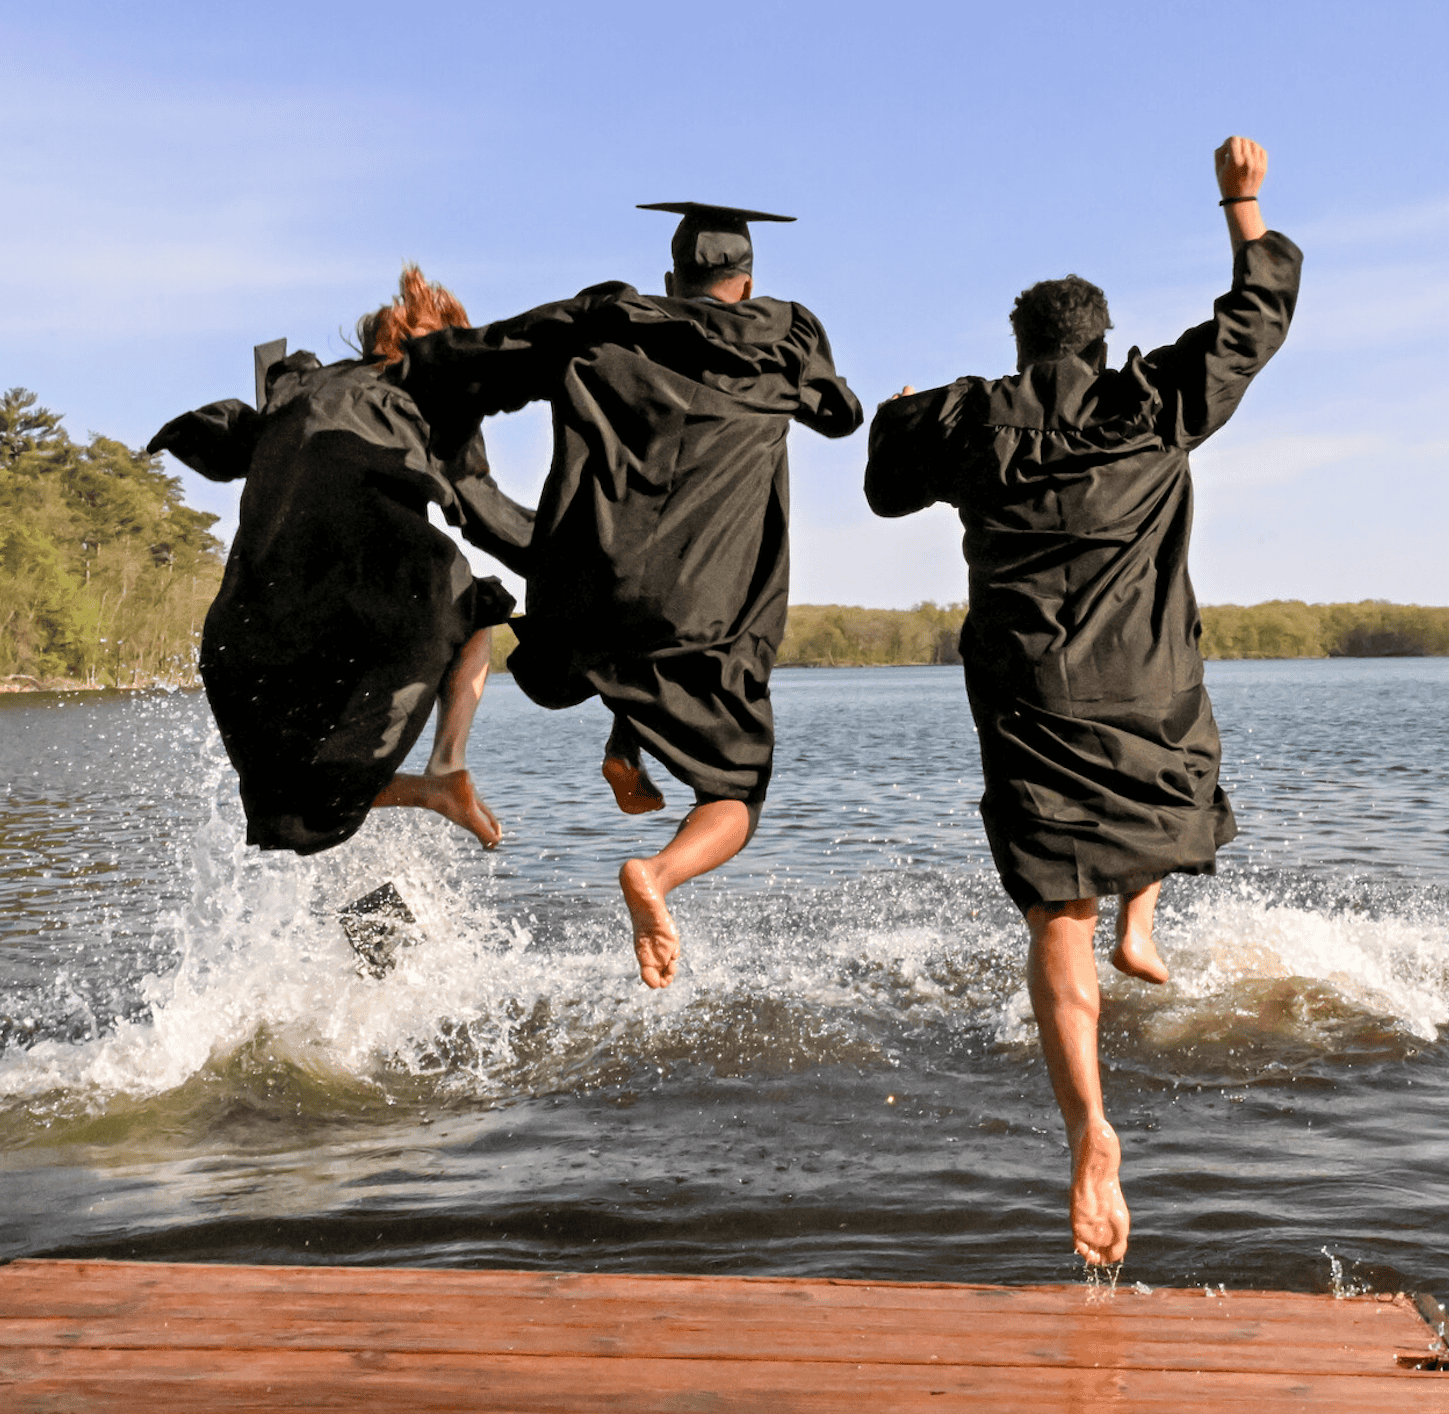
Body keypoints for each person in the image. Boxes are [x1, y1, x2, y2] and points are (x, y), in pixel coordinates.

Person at [863, 137, 1300, 1264]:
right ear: (1102, 345)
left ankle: (1089, 1130)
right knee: (1179, 786)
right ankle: (1144, 913)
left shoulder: (970, 417)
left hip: (1030, 705)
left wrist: (906, 413)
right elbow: (1256, 321)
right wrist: (1240, 202)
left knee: (1055, 921)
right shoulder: (1152, 402)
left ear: (1018, 346)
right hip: (1151, 692)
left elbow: (880, 480)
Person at [404, 203, 863, 987]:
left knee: (625, 646)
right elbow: (840, 415)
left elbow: (486, 353)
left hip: (578, 602)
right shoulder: (785, 337)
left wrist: (411, 361)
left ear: (670, 279)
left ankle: (625, 744)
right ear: (746, 282)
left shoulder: (603, 318)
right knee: (734, 789)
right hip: (699, 614)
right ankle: (658, 873)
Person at [149, 267, 535, 856]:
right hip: (374, 599)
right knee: (475, 606)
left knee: (294, 799)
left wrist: (186, 435)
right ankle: (445, 766)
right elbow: (478, 503)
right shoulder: (426, 395)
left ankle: (422, 804)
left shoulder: (301, 391)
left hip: (261, 621)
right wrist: (574, 563)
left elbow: (228, 444)